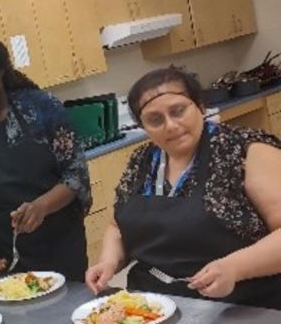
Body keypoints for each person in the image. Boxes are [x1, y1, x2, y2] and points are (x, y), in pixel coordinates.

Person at [86, 68, 281, 309]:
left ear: (200, 106)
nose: (170, 125)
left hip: (244, 306)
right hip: (154, 306)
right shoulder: (142, 161)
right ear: (143, 126)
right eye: (155, 120)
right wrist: (109, 262)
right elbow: (118, 227)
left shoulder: (245, 151)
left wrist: (234, 268)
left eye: (178, 111)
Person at [0, 35, 92, 281]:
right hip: (5, 255)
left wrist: (41, 206)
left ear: (2, 72)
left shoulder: (43, 108)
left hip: (60, 245)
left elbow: (76, 175)